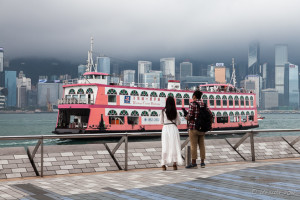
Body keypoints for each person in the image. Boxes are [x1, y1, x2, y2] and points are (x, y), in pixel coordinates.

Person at [160, 96, 183, 170]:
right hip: (173, 129)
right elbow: (178, 122)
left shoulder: (163, 111)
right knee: (175, 146)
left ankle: (163, 164)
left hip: (166, 129)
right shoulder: (176, 111)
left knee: (165, 146)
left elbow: (161, 122)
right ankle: (174, 164)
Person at [185, 90, 206, 168]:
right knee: (202, 145)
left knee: (193, 146)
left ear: (194, 96)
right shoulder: (204, 104)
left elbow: (190, 116)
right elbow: (209, 114)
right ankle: (202, 162)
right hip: (202, 128)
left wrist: (186, 117)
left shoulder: (192, 104)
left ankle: (194, 163)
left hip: (193, 127)